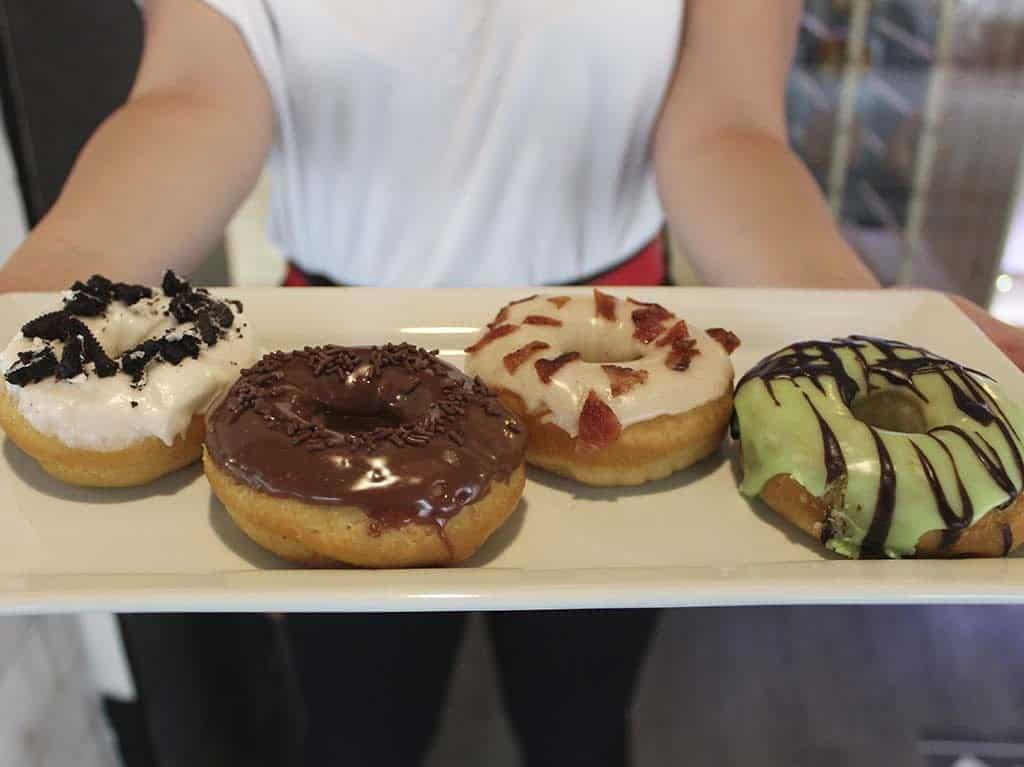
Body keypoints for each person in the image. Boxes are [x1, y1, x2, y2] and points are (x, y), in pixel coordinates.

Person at [2, 2, 1022, 765]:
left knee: (577, 713)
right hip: (316, 371)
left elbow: (726, 126)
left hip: (632, 381)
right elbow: (193, 94)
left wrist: (859, 332)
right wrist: (39, 291)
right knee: (359, 723)